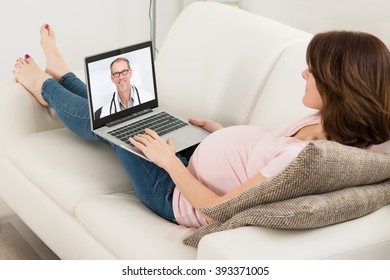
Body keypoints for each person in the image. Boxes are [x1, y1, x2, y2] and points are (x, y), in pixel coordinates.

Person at [13, 24, 390, 228]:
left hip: (176, 193)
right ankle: (64, 75)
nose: (303, 73)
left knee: (115, 123)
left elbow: (217, 210)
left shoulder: (305, 159)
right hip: (195, 158)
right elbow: (258, 157)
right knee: (139, 112)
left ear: (338, 86)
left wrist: (168, 162)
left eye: (313, 71)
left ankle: (47, 84)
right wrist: (220, 132)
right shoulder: (329, 122)